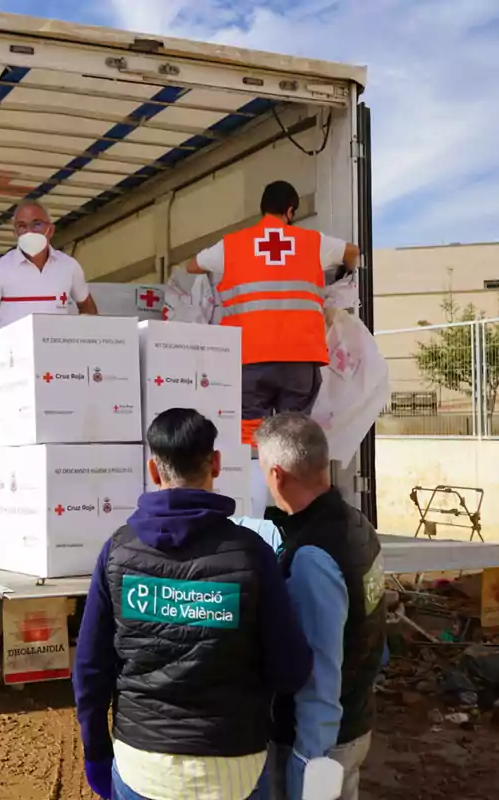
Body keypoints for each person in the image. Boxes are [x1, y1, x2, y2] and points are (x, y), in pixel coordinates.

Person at [73, 408, 313, 800]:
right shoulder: (251, 554)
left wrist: (97, 753)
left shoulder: (118, 550)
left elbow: (90, 670)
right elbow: (290, 670)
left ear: (154, 471)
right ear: (216, 463)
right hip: (234, 768)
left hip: (141, 769)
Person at [235, 413, 386, 800]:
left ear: (277, 475)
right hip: (354, 721)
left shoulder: (313, 557)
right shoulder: (357, 525)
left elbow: (320, 675)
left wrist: (308, 765)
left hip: (320, 741)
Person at [186, 180, 361, 446]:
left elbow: (193, 266)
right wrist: (342, 275)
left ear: (262, 208)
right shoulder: (313, 243)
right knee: (293, 438)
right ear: (290, 211)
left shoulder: (232, 245)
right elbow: (353, 251)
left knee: (251, 435)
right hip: (300, 358)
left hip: (250, 358)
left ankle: (255, 482)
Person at [0, 200, 99, 403]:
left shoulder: (69, 267)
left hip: (59, 367)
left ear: (50, 230)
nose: (29, 231)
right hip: (12, 367)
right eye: (22, 226)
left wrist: (91, 348)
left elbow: (86, 306)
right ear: (15, 231)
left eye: (36, 224)